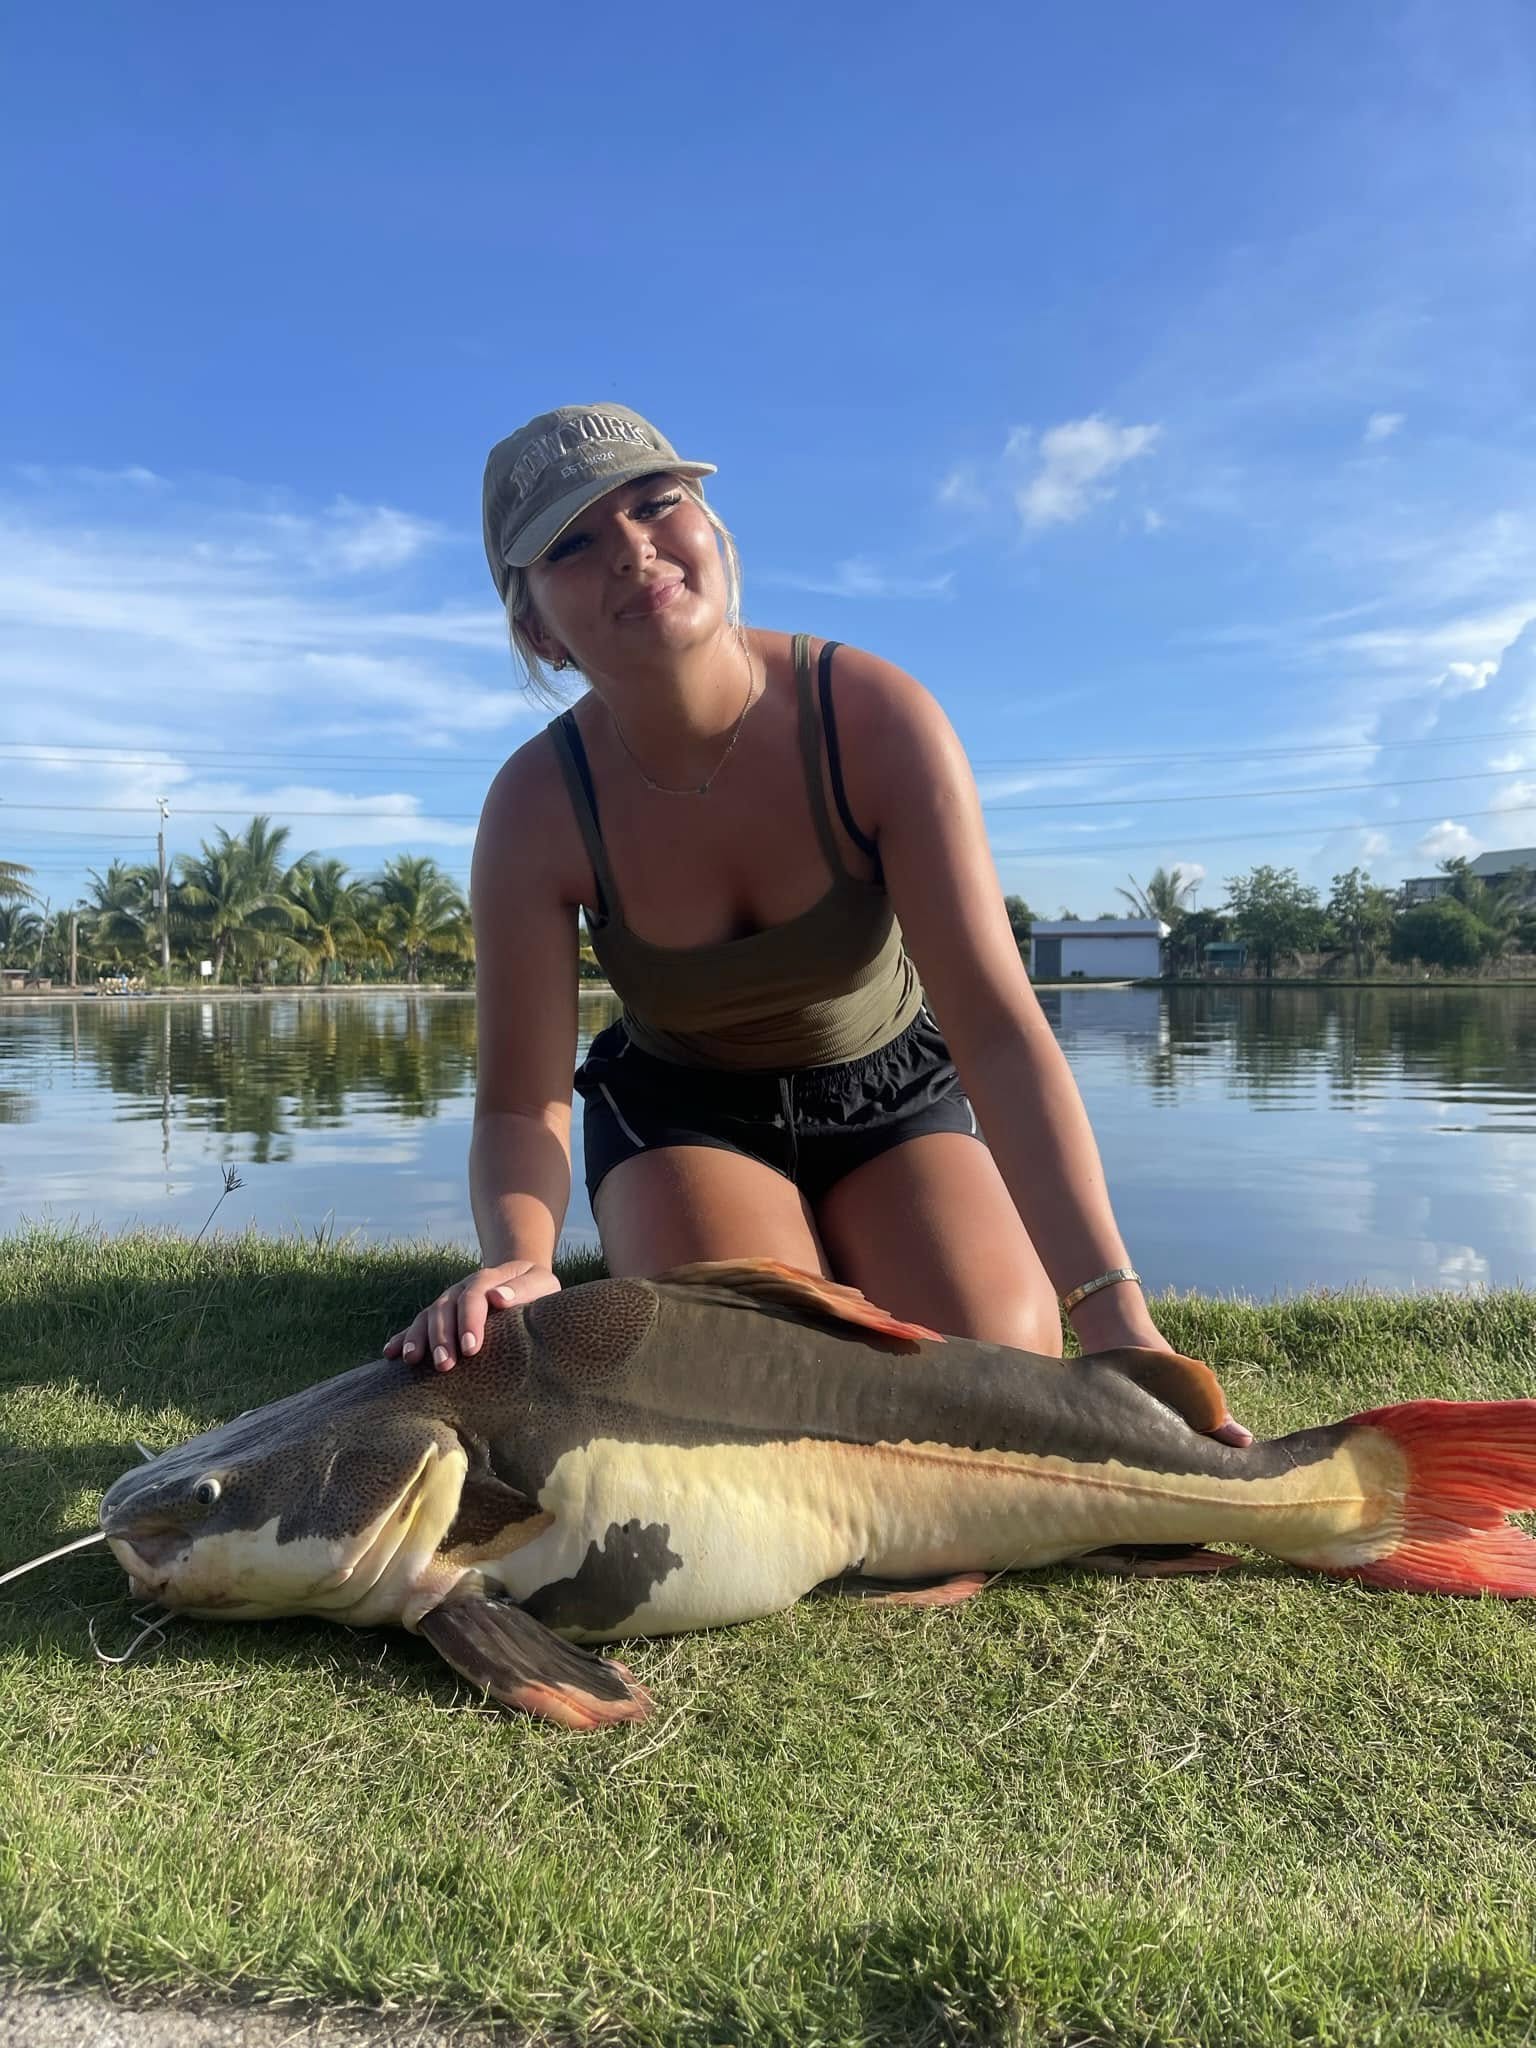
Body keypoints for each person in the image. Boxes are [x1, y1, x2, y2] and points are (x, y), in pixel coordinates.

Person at [385, 404, 1249, 1447]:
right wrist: (524, 1254)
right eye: (574, 543)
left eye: (658, 504)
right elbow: (523, 1100)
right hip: (682, 1114)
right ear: (535, 627)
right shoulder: (535, 807)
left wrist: (1112, 1309)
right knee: (749, 1386)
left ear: (712, 528)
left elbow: (997, 1028)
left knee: (1001, 1363)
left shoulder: (875, 719)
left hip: (890, 1091)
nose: (632, 550)